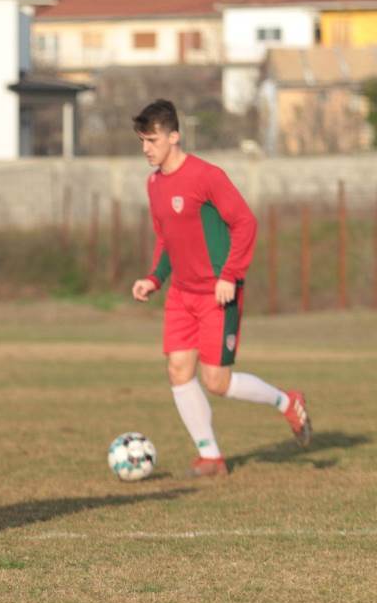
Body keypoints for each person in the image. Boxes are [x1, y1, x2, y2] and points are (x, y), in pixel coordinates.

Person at [130, 99, 312, 477]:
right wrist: (154, 278)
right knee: (178, 370)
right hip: (181, 294)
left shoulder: (206, 176)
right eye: (142, 141)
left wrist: (229, 275)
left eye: (152, 140)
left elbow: (245, 222)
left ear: (174, 136)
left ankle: (286, 401)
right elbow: (166, 239)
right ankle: (210, 456)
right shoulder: (154, 183)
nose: (146, 148)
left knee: (217, 381)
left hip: (217, 293)